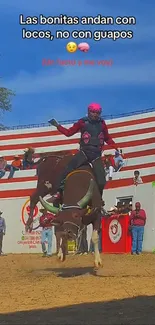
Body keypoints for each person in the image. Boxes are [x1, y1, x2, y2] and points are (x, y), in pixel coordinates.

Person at [48, 103, 118, 203]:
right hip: (84, 153)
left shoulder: (102, 124)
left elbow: (107, 138)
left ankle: (99, 198)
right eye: (93, 112)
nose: (95, 114)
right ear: (89, 111)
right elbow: (69, 133)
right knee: (68, 169)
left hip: (96, 155)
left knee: (102, 180)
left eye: (98, 112)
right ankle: (58, 193)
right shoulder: (82, 122)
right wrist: (58, 126)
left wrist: (116, 147)